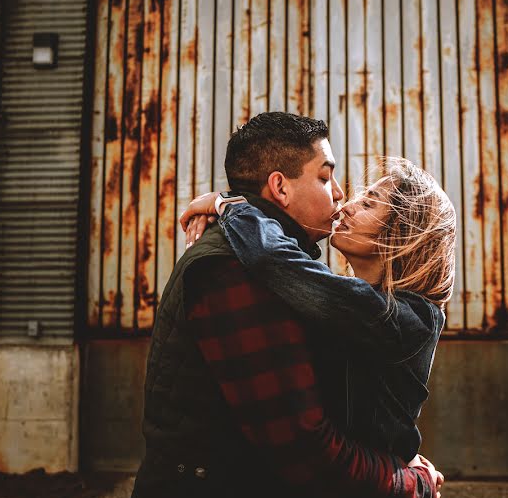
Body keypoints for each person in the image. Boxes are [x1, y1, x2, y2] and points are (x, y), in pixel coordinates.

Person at [131, 112, 442, 498]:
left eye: (370, 202)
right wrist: (410, 483)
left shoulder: (388, 311)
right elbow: (306, 450)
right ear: (279, 187)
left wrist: (229, 204)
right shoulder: (241, 269)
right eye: (325, 178)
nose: (342, 197)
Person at [182, 157, 456, 468]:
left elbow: (273, 260)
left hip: (370, 485)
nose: (348, 206)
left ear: (402, 233)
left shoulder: (411, 318)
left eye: (369, 204)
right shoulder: (349, 300)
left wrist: (228, 205)